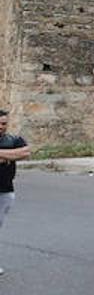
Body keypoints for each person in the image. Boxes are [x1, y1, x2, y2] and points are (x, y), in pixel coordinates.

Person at [0, 110, 32, 275]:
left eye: (4, 123)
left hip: (5, 191)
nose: (1, 127)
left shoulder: (12, 140)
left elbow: (25, 152)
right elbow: (17, 154)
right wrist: (10, 156)